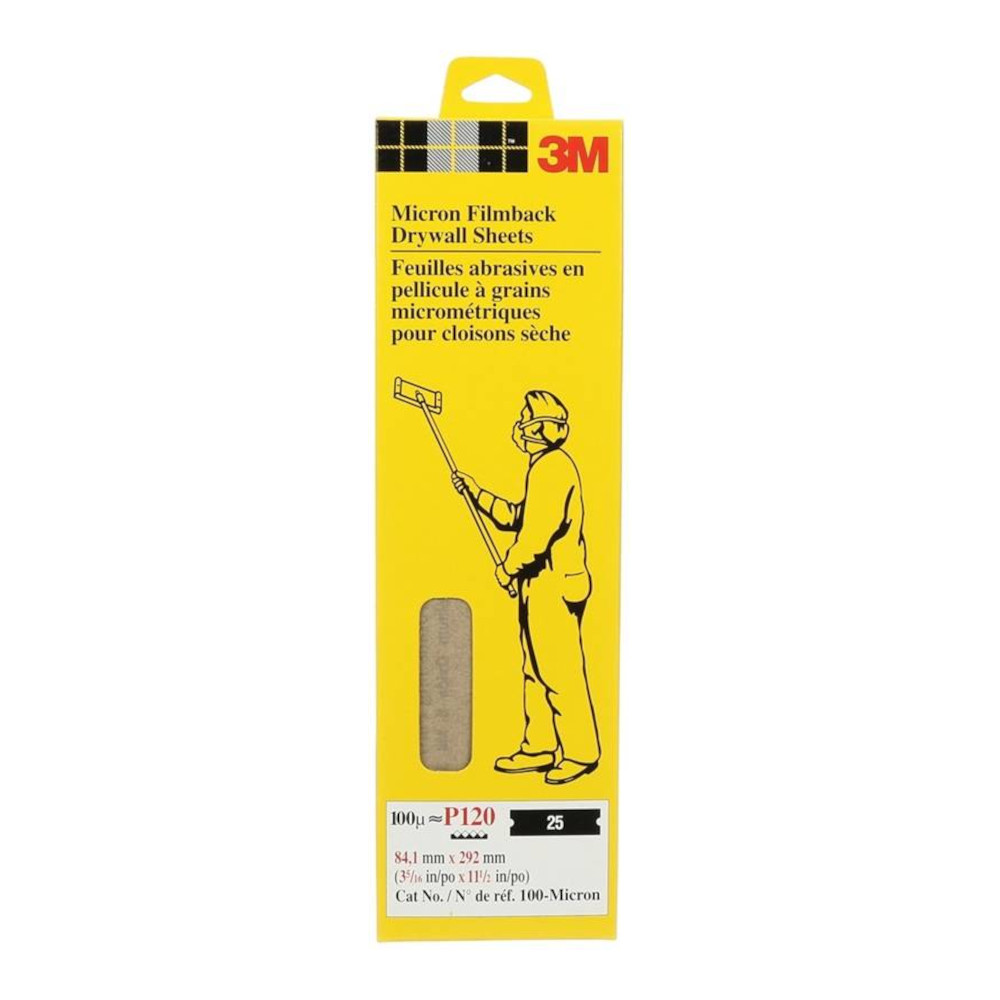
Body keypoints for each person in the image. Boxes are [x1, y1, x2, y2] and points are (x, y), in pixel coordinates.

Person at [452, 390, 600, 784]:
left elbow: (536, 536)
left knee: (560, 671)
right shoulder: (543, 468)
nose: (519, 427)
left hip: (554, 584)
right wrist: (476, 493)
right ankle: (539, 746)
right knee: (535, 669)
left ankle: (581, 752)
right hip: (539, 583)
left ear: (541, 428)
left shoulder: (553, 468)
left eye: (525, 419)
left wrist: (507, 568)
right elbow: (518, 516)